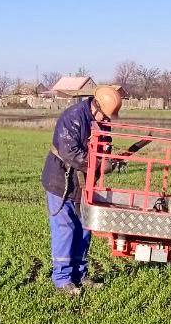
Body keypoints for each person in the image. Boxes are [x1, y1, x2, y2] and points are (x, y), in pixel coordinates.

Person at [41, 85, 123, 295]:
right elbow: (70, 153)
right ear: (96, 106)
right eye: (105, 116)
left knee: (85, 228)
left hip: (85, 184)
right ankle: (62, 279)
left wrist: (110, 160)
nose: (107, 121)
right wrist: (98, 164)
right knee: (65, 229)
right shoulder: (73, 117)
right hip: (61, 181)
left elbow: (105, 148)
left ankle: (79, 274)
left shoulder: (102, 122)